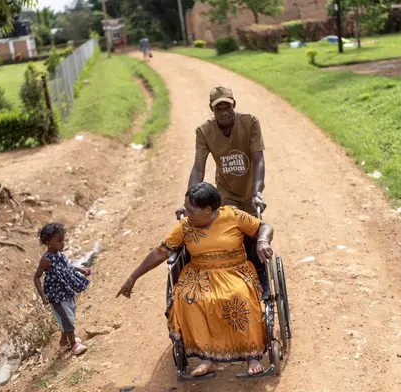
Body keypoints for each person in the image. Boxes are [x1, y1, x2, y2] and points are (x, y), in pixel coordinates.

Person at [117, 183, 275, 376]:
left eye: (191, 210)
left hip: (234, 270)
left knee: (239, 295)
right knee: (188, 298)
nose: (187, 213)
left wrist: (262, 240)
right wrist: (133, 277)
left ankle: (252, 355)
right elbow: (160, 252)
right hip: (198, 272)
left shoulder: (232, 215)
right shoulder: (185, 226)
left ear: (208, 209)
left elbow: (263, 226)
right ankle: (207, 358)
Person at [176, 86, 268, 293]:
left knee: (252, 235)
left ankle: (261, 279)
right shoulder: (204, 131)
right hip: (225, 193)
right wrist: (189, 202)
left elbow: (258, 159)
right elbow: (198, 167)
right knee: (225, 236)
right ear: (212, 109)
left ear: (234, 105)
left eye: (227, 106)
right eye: (219, 108)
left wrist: (257, 192)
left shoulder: (250, 122)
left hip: (250, 191)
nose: (224, 112)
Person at [33, 222, 89, 356]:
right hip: (55, 295)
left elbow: (67, 267)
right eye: (59, 241)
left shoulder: (60, 254)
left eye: (63, 240)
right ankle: (74, 344)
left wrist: (80, 270)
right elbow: (36, 277)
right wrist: (42, 295)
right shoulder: (46, 260)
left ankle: (64, 340)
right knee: (67, 318)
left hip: (65, 291)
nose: (62, 243)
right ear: (48, 242)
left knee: (70, 313)